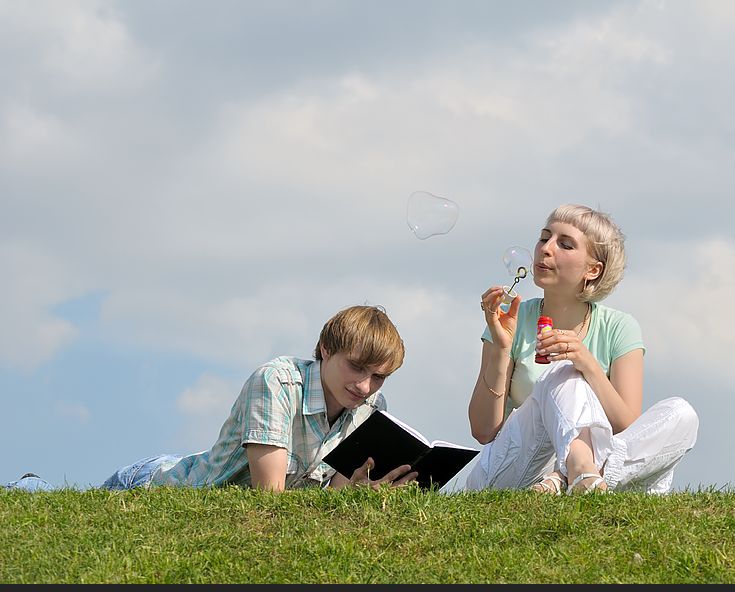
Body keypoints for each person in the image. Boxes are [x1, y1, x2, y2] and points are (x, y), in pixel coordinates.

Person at [5, 305, 417, 492]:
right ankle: (30, 484)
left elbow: (327, 498)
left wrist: (358, 493)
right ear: (326, 349)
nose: (365, 387)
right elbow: (269, 502)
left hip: (201, 462)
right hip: (157, 484)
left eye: (379, 377)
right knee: (55, 500)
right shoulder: (278, 381)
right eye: (357, 368)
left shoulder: (371, 411)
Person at [466, 204, 698, 495]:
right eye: (544, 238)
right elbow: (484, 430)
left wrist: (587, 363)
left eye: (565, 244)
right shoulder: (509, 320)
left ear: (593, 269)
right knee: (562, 371)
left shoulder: (620, 327)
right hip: (510, 471)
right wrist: (501, 348)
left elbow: (627, 427)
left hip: (574, 472)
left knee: (683, 413)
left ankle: (571, 477)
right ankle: (579, 473)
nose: (546, 249)